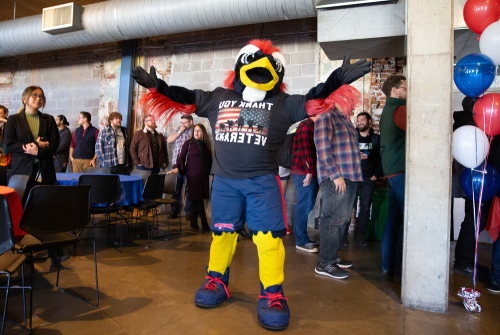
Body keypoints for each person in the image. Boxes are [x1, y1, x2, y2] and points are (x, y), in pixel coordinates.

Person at [132, 39, 370, 330]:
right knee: (223, 235)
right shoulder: (219, 97)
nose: (261, 70)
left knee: (269, 241)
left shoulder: (284, 103)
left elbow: (314, 99)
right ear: (239, 69)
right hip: (225, 184)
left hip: (263, 184)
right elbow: (186, 98)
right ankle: (216, 279)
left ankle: (272, 293)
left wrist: (335, 80)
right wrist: (160, 86)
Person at [314, 104, 363, 279]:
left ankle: (332, 257)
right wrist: (335, 175)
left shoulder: (346, 120)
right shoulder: (327, 116)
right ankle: (325, 263)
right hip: (337, 177)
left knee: (341, 221)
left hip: (351, 175)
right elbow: (322, 148)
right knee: (333, 220)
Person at [452, 97, 491, 280]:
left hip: (475, 180)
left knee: (473, 220)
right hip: (475, 180)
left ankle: (467, 261)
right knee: (474, 222)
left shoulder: (467, 122)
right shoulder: (471, 124)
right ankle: (463, 262)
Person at [4, 86, 60, 192]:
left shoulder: (49, 119)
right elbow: (9, 143)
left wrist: (37, 152)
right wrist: (34, 146)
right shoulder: (13, 119)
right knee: (21, 205)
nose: (38, 98)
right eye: (34, 95)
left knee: (44, 205)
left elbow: (55, 144)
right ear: (24, 98)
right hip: (21, 170)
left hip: (44, 170)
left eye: (41, 96)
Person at [379, 75, 407, 282]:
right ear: (395, 90)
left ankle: (387, 266)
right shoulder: (401, 110)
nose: (408, 92)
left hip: (392, 171)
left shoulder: (388, 110)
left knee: (393, 220)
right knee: (407, 221)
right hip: (400, 170)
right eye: (406, 88)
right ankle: (400, 270)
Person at [344, 112, 382, 247]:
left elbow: (380, 159)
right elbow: (344, 155)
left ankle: (361, 237)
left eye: (362, 119)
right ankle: (343, 237)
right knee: (348, 207)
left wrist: (375, 176)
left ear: (370, 122)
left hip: (368, 178)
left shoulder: (376, 139)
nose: (359, 122)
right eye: (357, 120)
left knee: (365, 208)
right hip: (352, 177)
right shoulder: (351, 137)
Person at [168, 124, 212, 232]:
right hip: (192, 175)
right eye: (195, 130)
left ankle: (194, 221)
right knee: (198, 199)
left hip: (203, 176)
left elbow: (210, 161)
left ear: (203, 133)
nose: (196, 132)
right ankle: (204, 222)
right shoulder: (189, 143)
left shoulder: (206, 145)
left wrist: (212, 174)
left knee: (197, 199)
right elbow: (181, 157)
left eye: (199, 130)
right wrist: (177, 168)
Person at [291, 115, 320, 252]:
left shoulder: (311, 125)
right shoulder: (306, 126)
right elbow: (305, 149)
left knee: (307, 205)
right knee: (303, 206)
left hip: (307, 171)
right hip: (303, 172)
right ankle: (301, 241)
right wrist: (309, 172)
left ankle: (304, 237)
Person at [166, 115, 194, 220]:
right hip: (176, 165)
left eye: (185, 122)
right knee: (175, 189)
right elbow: (169, 140)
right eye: (181, 122)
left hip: (189, 165)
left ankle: (189, 212)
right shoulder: (178, 130)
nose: (182, 124)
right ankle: (174, 210)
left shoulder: (194, 131)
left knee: (189, 190)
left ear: (191, 122)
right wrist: (179, 132)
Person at [0, 105, 11, 185]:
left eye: (0, 113)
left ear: (5, 114)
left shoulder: (10, 123)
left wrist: (4, 122)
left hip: (7, 159)